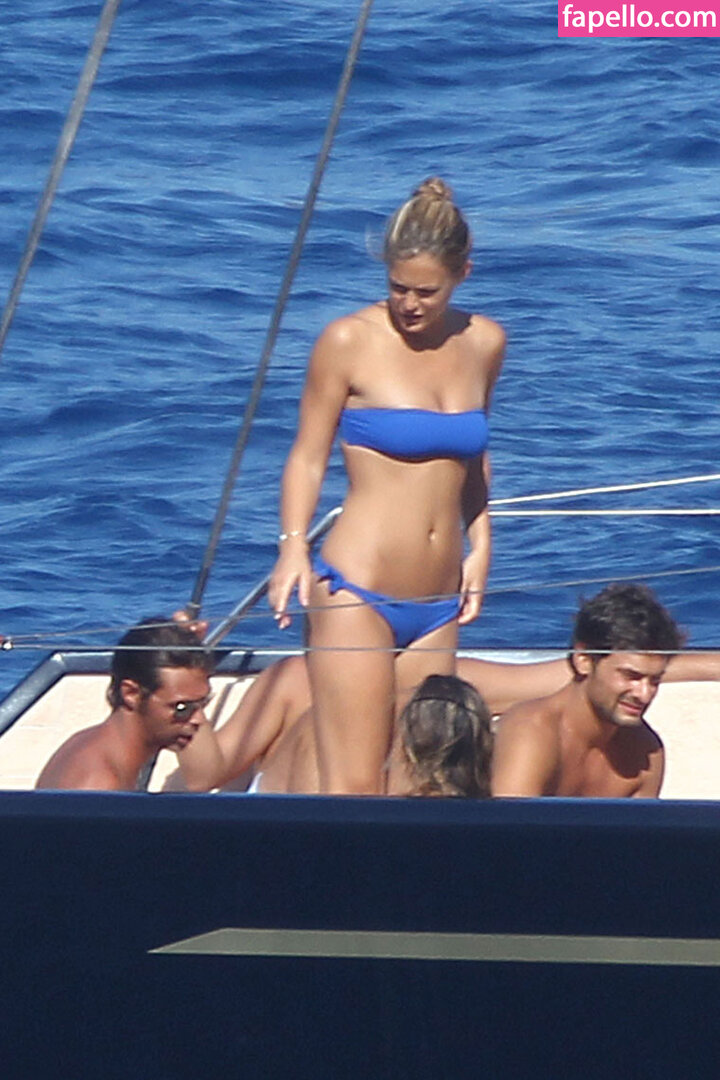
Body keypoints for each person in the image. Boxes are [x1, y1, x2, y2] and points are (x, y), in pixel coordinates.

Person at [268, 177, 506, 795]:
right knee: (352, 786)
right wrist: (292, 546)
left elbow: (473, 457)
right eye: (398, 287)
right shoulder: (348, 340)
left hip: (438, 601)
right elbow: (307, 457)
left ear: (462, 274)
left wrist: (481, 543)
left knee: (422, 786)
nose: (409, 304)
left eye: (426, 292)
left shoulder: (485, 343)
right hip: (357, 590)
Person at [491, 584, 685, 798]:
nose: (645, 694)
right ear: (583, 660)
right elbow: (511, 819)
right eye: (631, 676)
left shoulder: (645, 753)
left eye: (655, 680)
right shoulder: (532, 730)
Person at [36, 617, 213, 791]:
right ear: (131, 694)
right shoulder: (101, 785)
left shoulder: (87, 741)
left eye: (203, 703)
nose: (198, 720)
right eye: (182, 708)